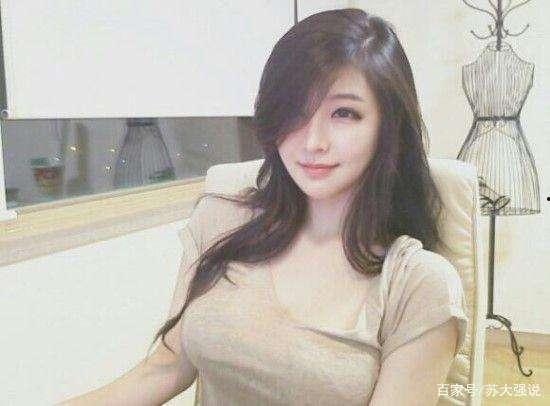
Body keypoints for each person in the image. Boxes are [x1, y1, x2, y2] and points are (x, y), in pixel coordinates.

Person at [58, 8, 468, 406]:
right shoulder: (220, 221)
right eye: (296, 111)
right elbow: (164, 368)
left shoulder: (417, 284)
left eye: (344, 113)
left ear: (388, 126)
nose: (313, 142)